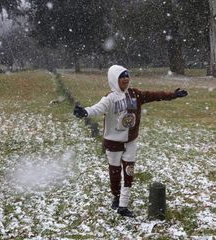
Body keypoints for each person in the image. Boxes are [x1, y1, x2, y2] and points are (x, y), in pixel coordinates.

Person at [74, 65, 188, 217]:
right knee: (114, 173)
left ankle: (123, 206)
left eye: (127, 76)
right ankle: (116, 196)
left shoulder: (135, 94)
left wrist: (172, 95)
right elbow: (98, 108)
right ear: (114, 79)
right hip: (113, 143)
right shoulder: (110, 98)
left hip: (131, 141)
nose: (126, 79)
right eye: (122, 76)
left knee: (129, 172)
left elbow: (155, 95)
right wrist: (85, 112)